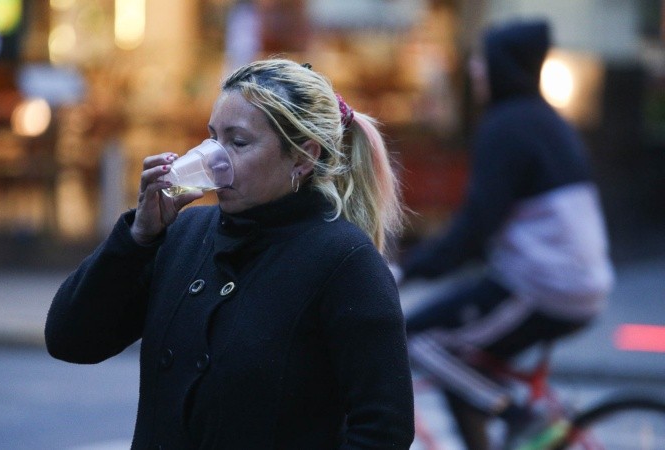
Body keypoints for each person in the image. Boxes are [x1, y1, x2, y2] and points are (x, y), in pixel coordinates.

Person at [46, 58, 415, 449]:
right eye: (212, 137)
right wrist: (137, 238)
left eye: (238, 143)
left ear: (303, 157)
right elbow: (71, 339)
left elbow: (384, 429)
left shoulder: (344, 260)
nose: (214, 159)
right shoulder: (184, 234)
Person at [398, 19, 614, 449]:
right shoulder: (549, 121)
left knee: (414, 337)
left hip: (543, 286)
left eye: (483, 60)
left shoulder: (506, 126)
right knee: (463, 373)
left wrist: (406, 270)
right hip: (574, 282)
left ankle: (520, 418)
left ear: (503, 66)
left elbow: (474, 229)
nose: (475, 70)